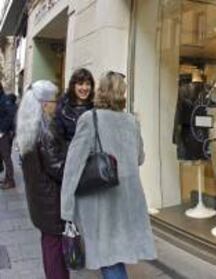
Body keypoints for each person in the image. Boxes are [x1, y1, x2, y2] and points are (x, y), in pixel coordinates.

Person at [61, 71, 156, 278]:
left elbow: (73, 166)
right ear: (121, 93)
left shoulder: (89, 118)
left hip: (101, 201)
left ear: (101, 91)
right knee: (116, 255)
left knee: (108, 258)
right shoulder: (132, 121)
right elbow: (140, 158)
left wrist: (66, 209)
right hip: (127, 199)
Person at [15, 80, 69, 279]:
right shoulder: (45, 131)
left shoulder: (29, 126)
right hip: (51, 200)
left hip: (40, 200)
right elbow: (58, 169)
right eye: (55, 101)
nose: (58, 105)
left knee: (49, 245)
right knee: (54, 250)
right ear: (45, 103)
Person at [55, 68, 95, 144]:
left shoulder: (95, 108)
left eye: (88, 84)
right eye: (80, 84)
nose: (84, 88)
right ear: (73, 86)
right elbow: (59, 140)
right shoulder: (62, 108)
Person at [0, 83, 17, 189]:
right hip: (3, 133)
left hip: (4, 134)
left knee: (6, 157)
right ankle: (7, 178)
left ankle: (10, 181)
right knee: (3, 156)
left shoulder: (4, 99)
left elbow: (10, 115)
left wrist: (2, 131)